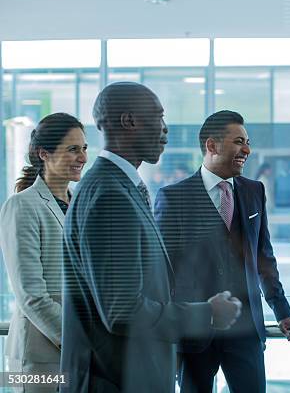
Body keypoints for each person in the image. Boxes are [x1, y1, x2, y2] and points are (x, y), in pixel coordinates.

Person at [60, 82, 242, 392]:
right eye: (158, 117)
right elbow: (122, 310)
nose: (166, 130)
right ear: (128, 121)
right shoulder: (110, 195)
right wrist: (206, 313)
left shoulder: (119, 187)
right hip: (116, 382)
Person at [155, 110, 290, 393]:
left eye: (247, 141)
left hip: (246, 331)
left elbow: (264, 258)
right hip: (195, 333)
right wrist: (170, 335)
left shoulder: (254, 191)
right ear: (212, 146)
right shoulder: (173, 198)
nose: (247, 149)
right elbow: (163, 273)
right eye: (239, 141)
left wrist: (282, 311)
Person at [0, 113, 87, 392]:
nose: (82, 158)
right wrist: (79, 340)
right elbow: (31, 295)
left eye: (84, 149)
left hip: (81, 352)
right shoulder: (22, 206)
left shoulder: (81, 205)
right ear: (44, 154)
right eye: (73, 149)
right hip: (40, 353)